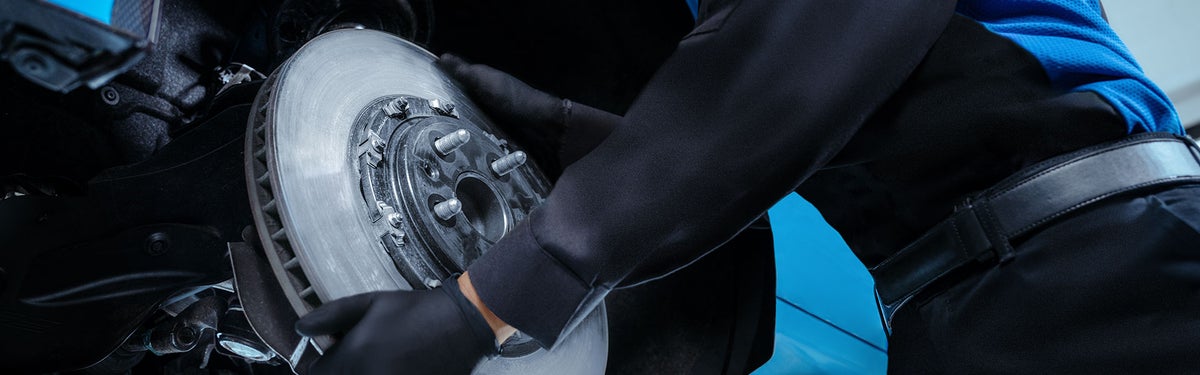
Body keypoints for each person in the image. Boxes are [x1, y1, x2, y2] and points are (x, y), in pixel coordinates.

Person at [294, 0, 1200, 373]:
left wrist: (485, 301)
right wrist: (586, 140)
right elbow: (842, 128)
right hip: (978, 305)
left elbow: (806, 55)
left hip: (1117, 271)